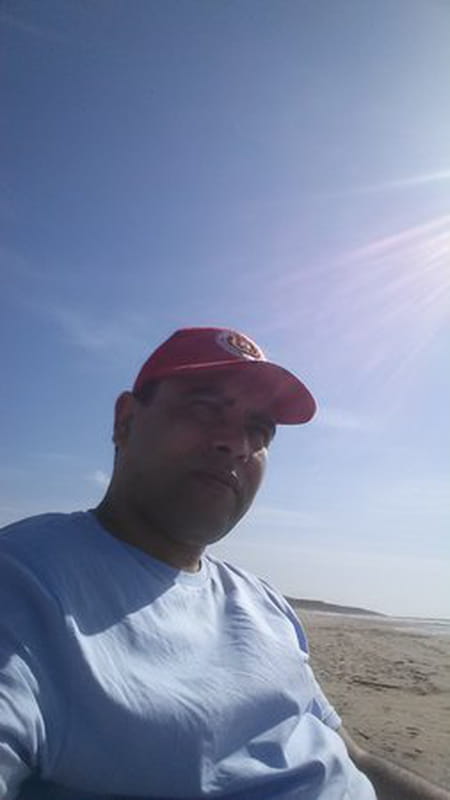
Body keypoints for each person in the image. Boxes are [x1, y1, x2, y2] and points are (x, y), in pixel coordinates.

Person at [0, 327, 448, 800]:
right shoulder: (26, 581)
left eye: (259, 429)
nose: (237, 443)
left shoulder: (263, 602)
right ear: (126, 422)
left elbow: (355, 758)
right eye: (204, 407)